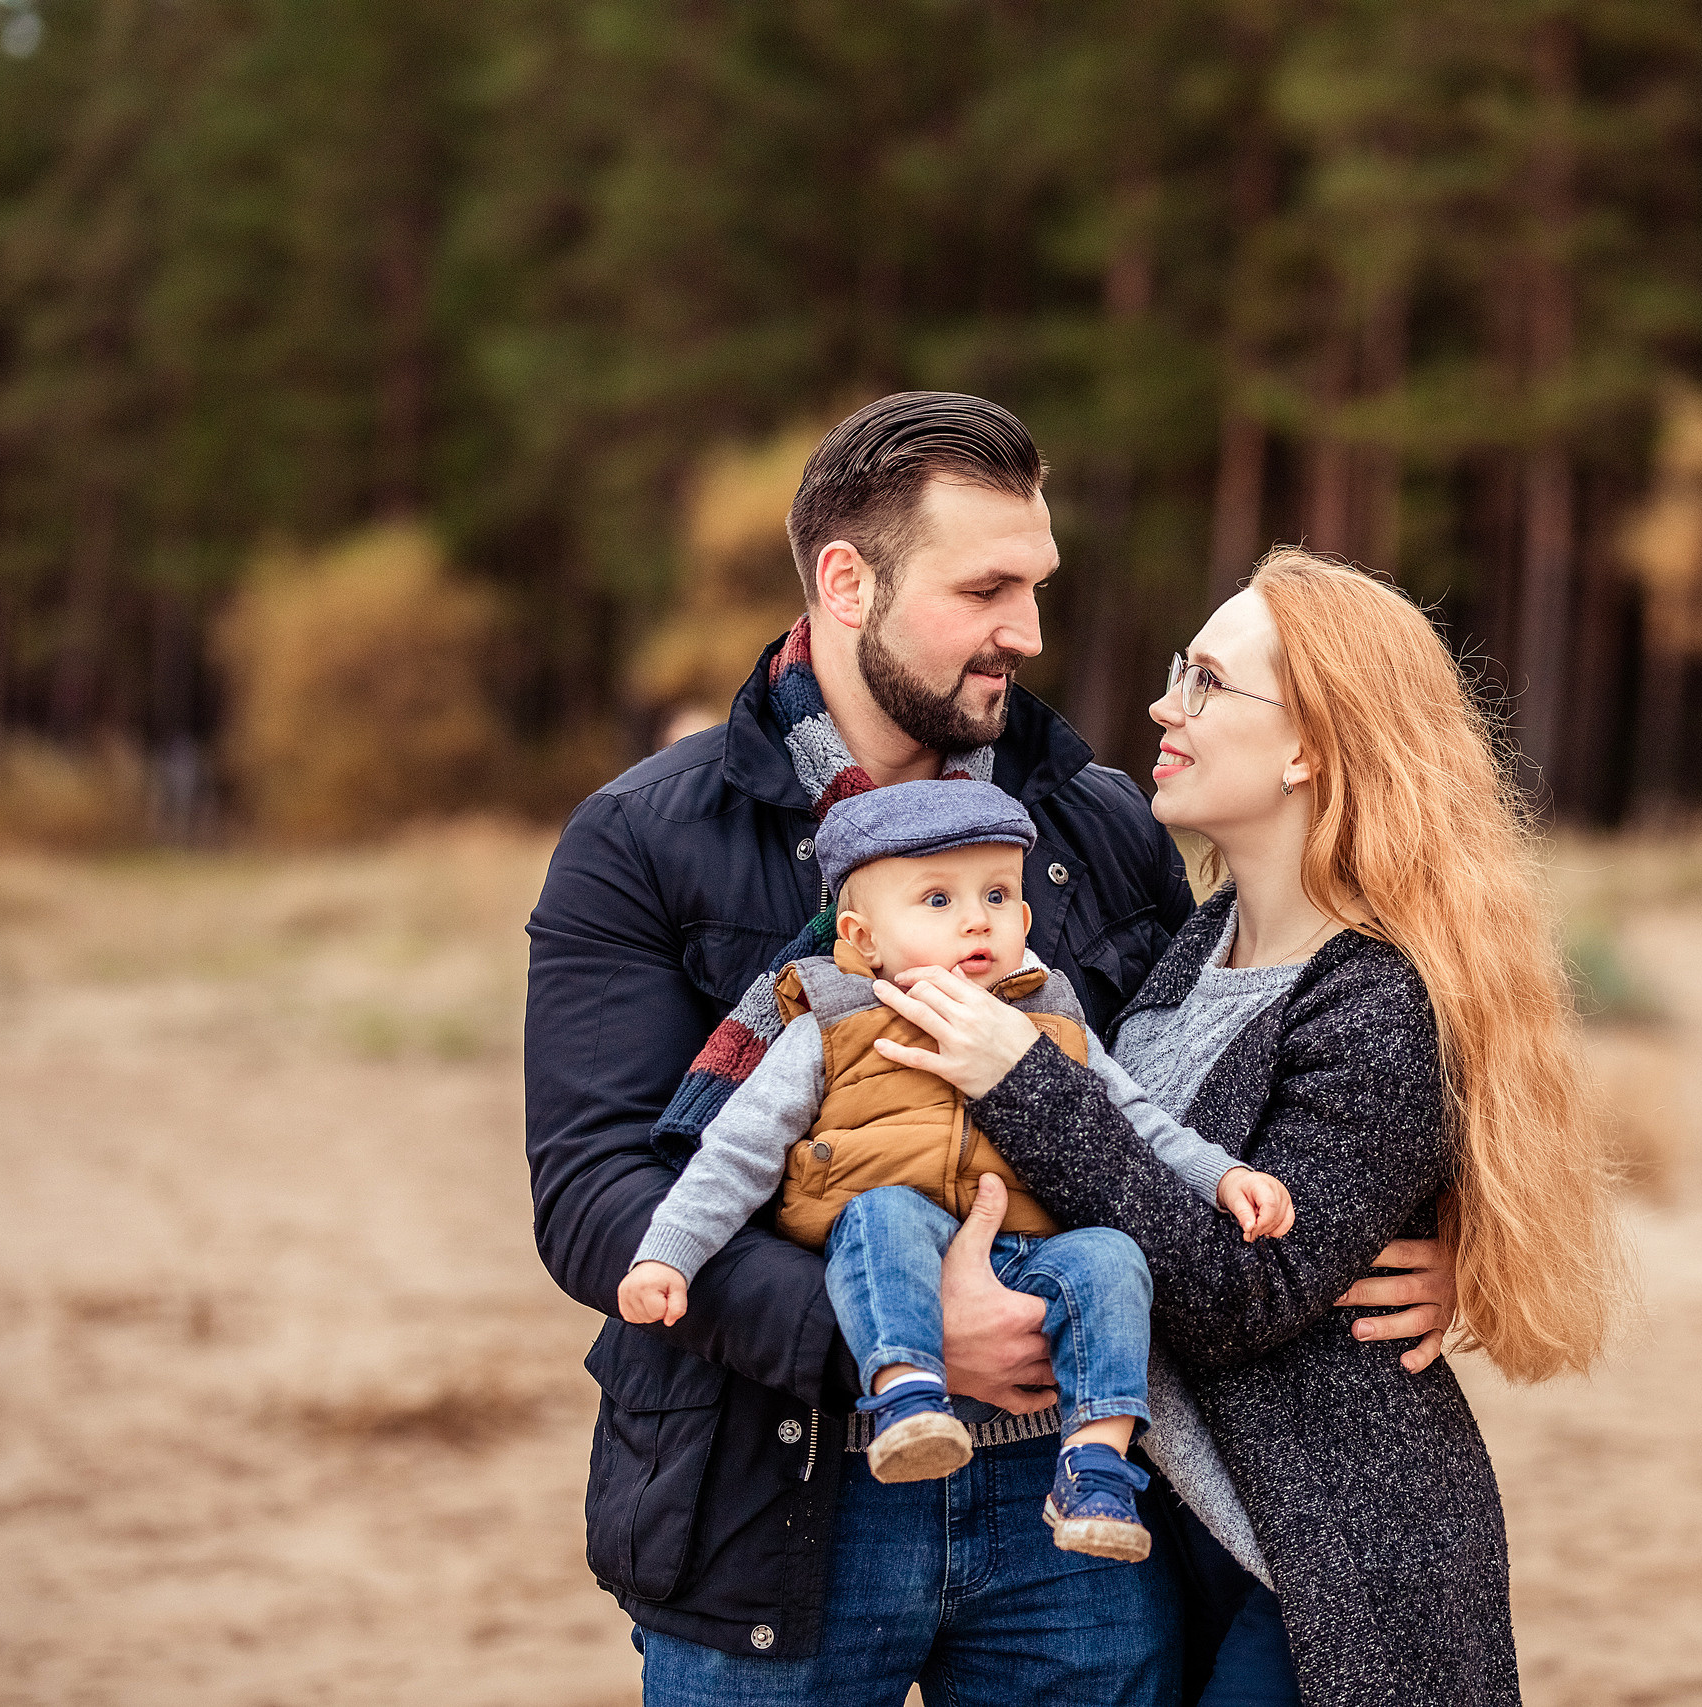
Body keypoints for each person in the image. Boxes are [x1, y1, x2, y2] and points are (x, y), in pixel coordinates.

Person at [523, 391, 1455, 1706]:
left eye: (1036, 585)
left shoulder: (1101, 823)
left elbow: (1216, 1093)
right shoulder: (642, 840)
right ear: (846, 583)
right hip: (768, 1501)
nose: (1028, 630)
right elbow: (595, 1195)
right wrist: (891, 1333)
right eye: (984, 590)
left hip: (1075, 1519)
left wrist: (1426, 1237)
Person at [867, 549, 1631, 1707]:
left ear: (1307, 745)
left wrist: (1023, 1080)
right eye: (1179, 670)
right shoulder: (1202, 941)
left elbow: (1239, 1295)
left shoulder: (1379, 996)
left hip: (1322, 1565)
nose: (1163, 705)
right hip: (1180, 1537)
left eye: (1208, 681)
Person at [614, 778, 1294, 1562]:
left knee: (1112, 1257)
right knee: (881, 1214)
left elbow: (1136, 1119)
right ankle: (906, 1397)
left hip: (1033, 1252)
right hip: (899, 1246)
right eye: (937, 899)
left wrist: (1220, 1175)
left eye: (998, 895)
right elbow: (738, 1150)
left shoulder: (1051, 1020)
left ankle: (1095, 1464)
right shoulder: (831, 1024)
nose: (977, 919)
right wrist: (669, 1253)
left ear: (1025, 920)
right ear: (863, 936)